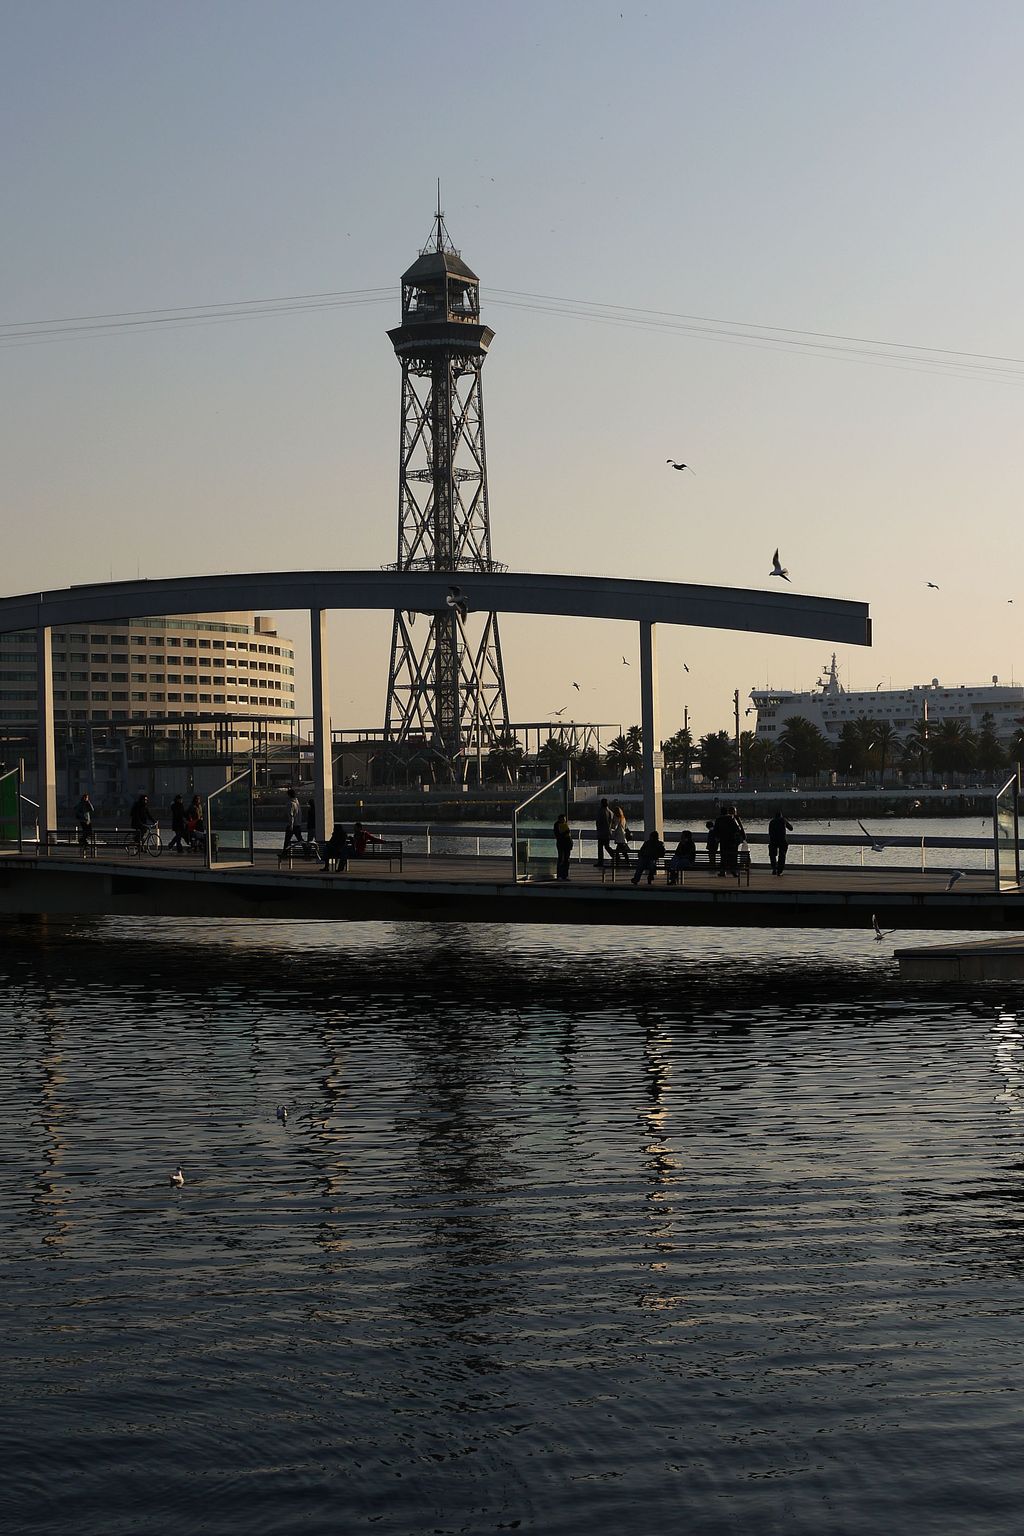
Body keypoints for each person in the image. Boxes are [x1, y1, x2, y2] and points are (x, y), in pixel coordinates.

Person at [713, 805, 743, 877]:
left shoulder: (718, 819)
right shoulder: (732, 819)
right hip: (732, 841)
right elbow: (737, 829)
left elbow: (715, 831)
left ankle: (722, 872)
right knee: (733, 856)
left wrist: (718, 838)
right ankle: (733, 871)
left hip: (723, 841)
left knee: (723, 856)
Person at [768, 810, 794, 876]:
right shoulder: (783, 820)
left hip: (773, 840)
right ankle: (780, 871)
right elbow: (791, 828)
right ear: (781, 815)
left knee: (772, 855)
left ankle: (774, 868)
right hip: (782, 840)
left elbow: (770, 832)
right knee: (782, 856)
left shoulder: (772, 822)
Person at [595, 797, 614, 869]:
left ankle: (600, 861)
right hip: (608, 832)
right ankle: (614, 856)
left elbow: (599, 822)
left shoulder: (601, 811)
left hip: (602, 832)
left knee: (600, 847)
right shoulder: (610, 812)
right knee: (607, 846)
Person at [283, 787, 304, 852]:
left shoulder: (290, 803)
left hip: (292, 825)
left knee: (287, 841)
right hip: (298, 824)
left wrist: (291, 825)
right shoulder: (297, 803)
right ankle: (307, 853)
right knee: (300, 840)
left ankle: (284, 854)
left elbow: (291, 815)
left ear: (289, 795)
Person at [553, 812, 573, 881]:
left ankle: (565, 875)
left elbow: (569, 836)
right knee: (561, 859)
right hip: (561, 844)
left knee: (566, 860)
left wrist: (571, 844)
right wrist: (565, 833)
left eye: (565, 819)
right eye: (563, 819)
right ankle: (559, 875)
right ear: (559, 819)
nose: (564, 821)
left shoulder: (565, 825)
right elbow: (558, 836)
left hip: (567, 844)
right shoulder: (557, 825)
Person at [74, 792, 95, 857]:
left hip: (88, 821)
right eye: (86, 797)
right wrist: (82, 816)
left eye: (87, 798)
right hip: (83, 821)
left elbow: (92, 809)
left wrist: (88, 802)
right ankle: (84, 842)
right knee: (86, 832)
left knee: (89, 832)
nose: (86, 799)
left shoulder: (87, 804)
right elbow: (76, 810)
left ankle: (83, 841)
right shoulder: (80, 804)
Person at [611, 803, 631, 867]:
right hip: (623, 837)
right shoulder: (623, 818)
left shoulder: (617, 818)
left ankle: (619, 863)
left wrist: (611, 825)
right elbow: (625, 827)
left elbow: (615, 827)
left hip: (619, 837)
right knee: (623, 851)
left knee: (619, 851)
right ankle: (626, 862)